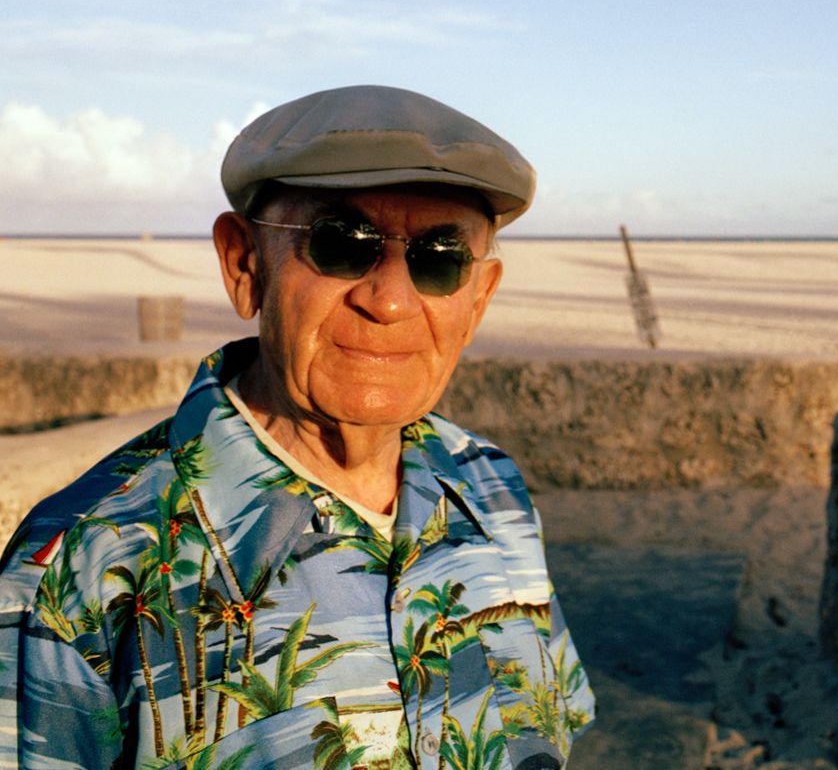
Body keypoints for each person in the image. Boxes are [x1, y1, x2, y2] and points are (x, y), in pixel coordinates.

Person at [0, 85, 594, 770]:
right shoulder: (80, 571)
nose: (392, 298)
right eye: (342, 243)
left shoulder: (494, 491)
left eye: (439, 258)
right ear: (245, 263)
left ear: (479, 297)